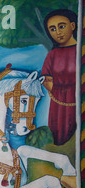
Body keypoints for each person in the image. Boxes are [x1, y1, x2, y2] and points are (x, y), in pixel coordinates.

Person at [41, 9, 77, 146]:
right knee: (59, 135)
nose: (58, 32)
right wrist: (56, 90)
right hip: (59, 103)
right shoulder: (52, 54)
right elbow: (46, 77)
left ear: (72, 26)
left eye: (61, 26)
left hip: (79, 97)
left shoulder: (81, 51)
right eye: (52, 29)